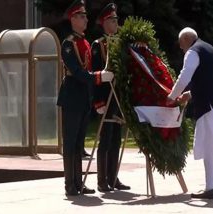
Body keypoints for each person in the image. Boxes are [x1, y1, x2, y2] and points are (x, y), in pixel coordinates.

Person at [166, 27, 213, 199]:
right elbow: (208, 79)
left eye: (181, 43)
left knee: (208, 144)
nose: (181, 48)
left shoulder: (192, 52)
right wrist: (189, 95)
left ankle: (211, 188)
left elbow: (185, 76)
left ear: (186, 39)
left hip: (210, 105)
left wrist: (171, 96)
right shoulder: (208, 48)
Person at [57, 0, 114, 196]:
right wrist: (99, 76)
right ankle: (69, 184)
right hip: (72, 95)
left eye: (85, 16)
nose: (86, 19)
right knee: (71, 141)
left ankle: (78, 182)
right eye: (81, 16)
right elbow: (77, 72)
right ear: (73, 19)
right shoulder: (68, 43)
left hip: (82, 97)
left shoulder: (85, 42)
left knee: (80, 143)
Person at [91, 3, 130, 192]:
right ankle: (102, 180)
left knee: (115, 139)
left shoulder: (121, 44)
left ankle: (113, 178)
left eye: (116, 20)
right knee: (105, 139)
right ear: (105, 23)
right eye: (113, 20)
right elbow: (96, 75)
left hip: (117, 98)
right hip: (106, 98)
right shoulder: (98, 45)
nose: (116, 23)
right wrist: (98, 101)